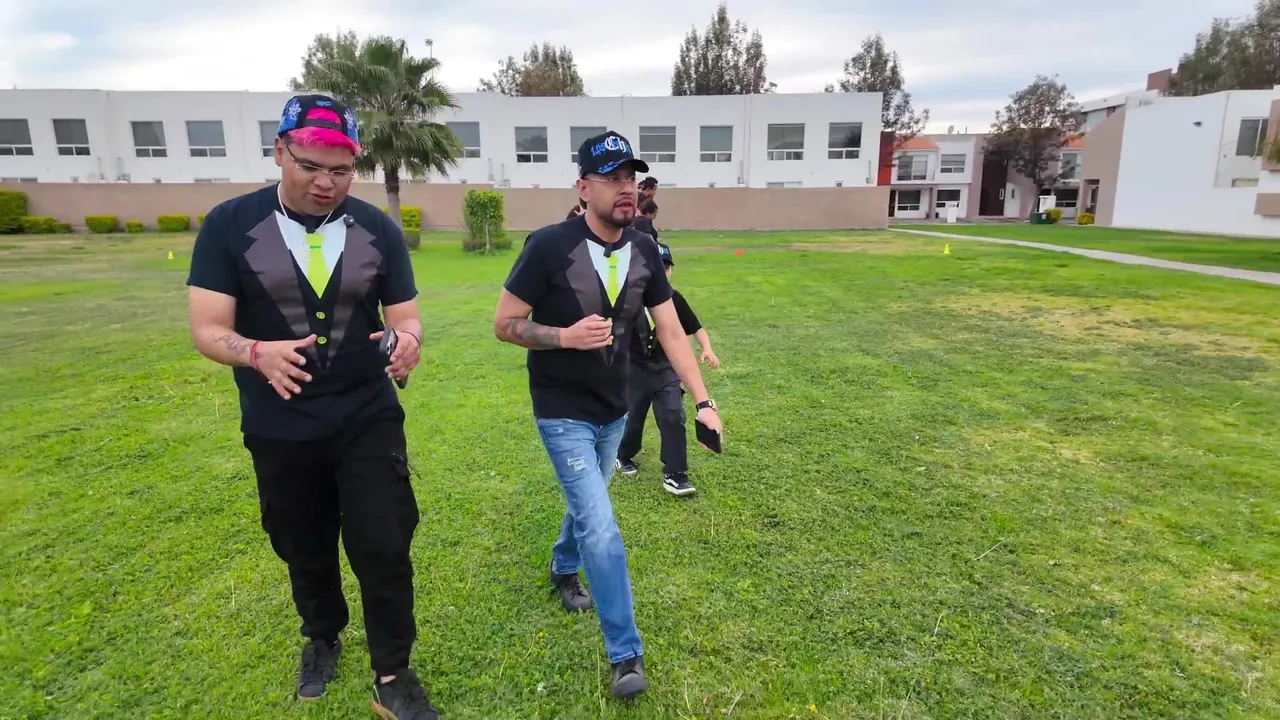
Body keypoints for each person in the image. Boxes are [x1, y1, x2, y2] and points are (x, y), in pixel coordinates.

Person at [186, 94, 442, 720]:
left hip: (366, 415)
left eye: (342, 170)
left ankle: (393, 672)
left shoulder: (376, 229)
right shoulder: (229, 225)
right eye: (310, 166)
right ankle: (322, 635)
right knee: (302, 541)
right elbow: (207, 328)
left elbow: (405, 317)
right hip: (280, 423)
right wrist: (255, 353)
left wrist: (408, 341)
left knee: (384, 541)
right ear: (280, 152)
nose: (326, 183)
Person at [492, 130, 723, 701]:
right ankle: (626, 654)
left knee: (588, 499)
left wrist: (703, 401)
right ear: (583, 187)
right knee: (600, 522)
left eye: (631, 178)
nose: (626, 189)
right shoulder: (548, 246)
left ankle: (562, 567)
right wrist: (562, 337)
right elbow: (504, 324)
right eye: (612, 178)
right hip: (561, 410)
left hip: (613, 408)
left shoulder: (643, 248)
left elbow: (670, 329)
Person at [616, 242, 720, 496]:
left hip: (666, 369)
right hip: (635, 370)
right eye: (654, 268)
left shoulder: (674, 299)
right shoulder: (627, 299)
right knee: (633, 419)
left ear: (671, 270)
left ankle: (676, 474)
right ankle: (623, 454)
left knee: (673, 415)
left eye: (665, 267)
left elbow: (695, 327)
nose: (660, 273)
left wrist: (707, 348)